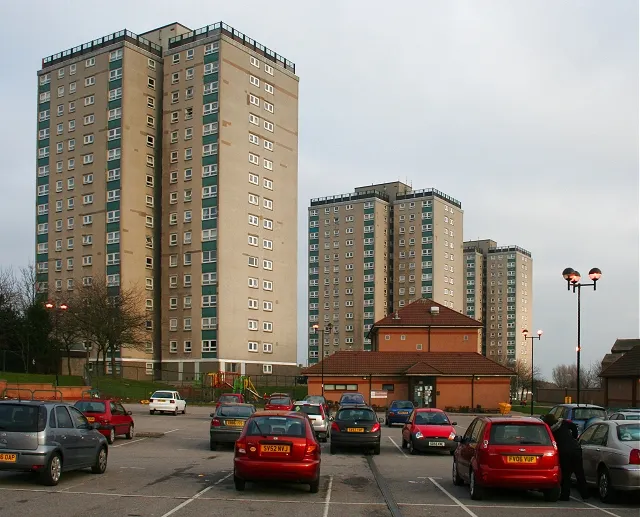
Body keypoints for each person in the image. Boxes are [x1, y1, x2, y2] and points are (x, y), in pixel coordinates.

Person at [542, 414, 589, 501]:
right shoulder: (563, 423)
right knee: (579, 472)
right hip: (575, 449)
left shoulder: (550, 431)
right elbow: (574, 427)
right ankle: (585, 494)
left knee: (566, 474)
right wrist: (574, 437)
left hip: (564, 452)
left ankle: (565, 495)